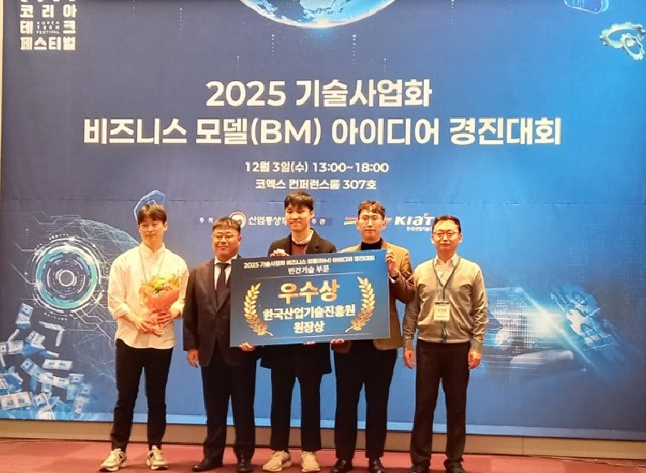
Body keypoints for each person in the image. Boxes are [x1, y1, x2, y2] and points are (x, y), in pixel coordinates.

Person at [101, 203, 189, 472]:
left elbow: (184, 299)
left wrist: (172, 311)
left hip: (161, 339)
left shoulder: (176, 263)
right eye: (145, 225)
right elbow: (114, 300)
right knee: (125, 396)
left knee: (157, 396)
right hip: (130, 338)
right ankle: (118, 450)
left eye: (155, 224)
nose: (150, 230)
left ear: (165, 226)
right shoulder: (124, 261)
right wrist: (136, 320)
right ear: (139, 228)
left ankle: (155, 448)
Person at [330, 201, 415, 473]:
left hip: (382, 344)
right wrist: (334, 332)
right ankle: (344, 457)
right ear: (357, 223)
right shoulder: (344, 256)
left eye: (374, 217)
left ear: (383, 223)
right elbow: (335, 299)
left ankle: (375, 457)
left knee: (377, 403)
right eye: (364, 217)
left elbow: (409, 295)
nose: (369, 222)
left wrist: (394, 274)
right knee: (345, 403)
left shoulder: (398, 254)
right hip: (349, 344)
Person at [402, 215, 488, 473]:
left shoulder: (472, 270)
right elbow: (412, 309)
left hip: (459, 347)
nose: (445, 238)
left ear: (460, 237)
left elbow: (481, 310)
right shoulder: (421, 270)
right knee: (423, 406)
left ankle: (454, 461)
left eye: (450, 233)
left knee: (457, 407)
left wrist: (477, 346)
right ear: (432, 238)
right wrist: (408, 342)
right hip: (427, 346)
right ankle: (420, 461)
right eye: (439, 233)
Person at [260, 190, 336, 473]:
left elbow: (332, 295)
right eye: (290, 211)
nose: (295, 216)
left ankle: (309, 452)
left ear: (311, 214)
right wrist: (273, 266)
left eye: (300, 211)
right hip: (281, 341)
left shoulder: (326, 248)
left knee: (310, 399)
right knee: (279, 398)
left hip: (312, 341)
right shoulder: (276, 246)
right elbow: (268, 293)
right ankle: (279, 451)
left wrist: (322, 330)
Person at [183, 217, 259, 473]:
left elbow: (260, 310)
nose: (223, 240)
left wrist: (256, 340)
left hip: (241, 352)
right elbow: (191, 313)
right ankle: (212, 455)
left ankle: (244, 456)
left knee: (243, 408)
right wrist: (192, 346)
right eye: (218, 236)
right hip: (209, 352)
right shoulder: (198, 272)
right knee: (214, 408)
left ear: (239, 239)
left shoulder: (250, 271)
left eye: (228, 236)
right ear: (212, 239)